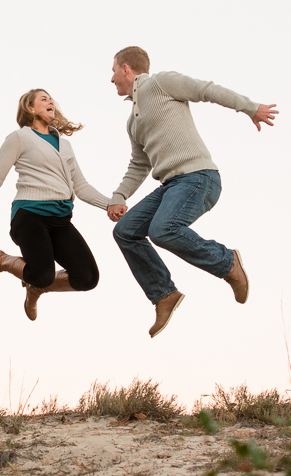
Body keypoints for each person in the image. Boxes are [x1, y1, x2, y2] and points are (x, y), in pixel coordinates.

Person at [106, 46, 278, 337]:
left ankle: (227, 262)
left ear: (126, 68)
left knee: (163, 229)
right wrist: (119, 195)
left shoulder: (160, 83)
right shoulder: (133, 121)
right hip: (171, 185)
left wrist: (250, 107)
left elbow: (206, 90)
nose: (111, 79)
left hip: (199, 177)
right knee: (125, 231)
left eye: (113, 71)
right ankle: (163, 294)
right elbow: (139, 164)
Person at [0, 89, 110, 320]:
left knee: (88, 278)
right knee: (42, 273)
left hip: (61, 221)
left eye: (52, 100)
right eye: (44, 99)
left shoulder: (64, 145)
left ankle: (37, 288)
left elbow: (82, 186)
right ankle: (0, 260)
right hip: (30, 216)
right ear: (30, 108)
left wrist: (110, 204)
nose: (51, 102)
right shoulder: (20, 138)